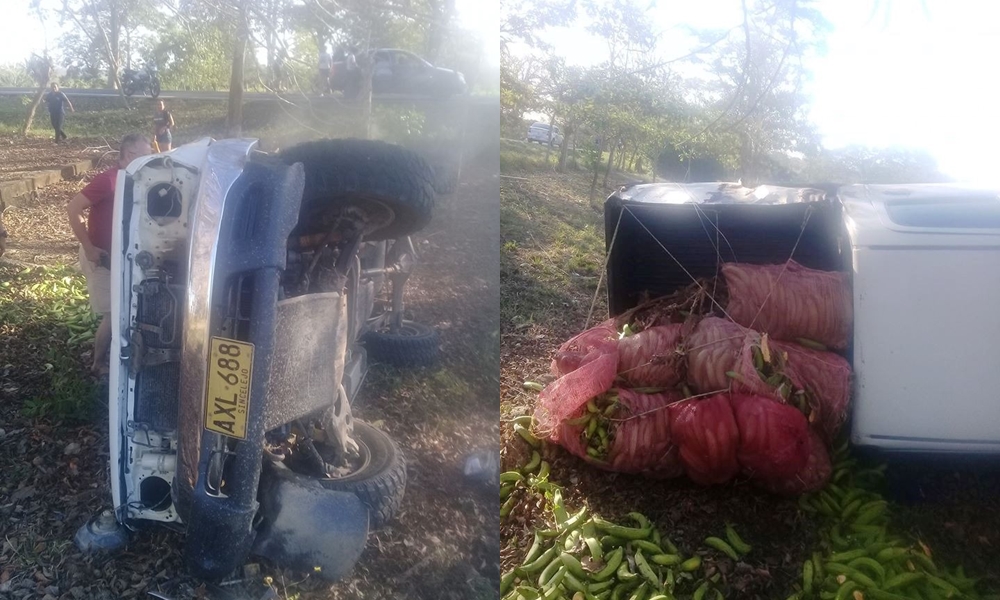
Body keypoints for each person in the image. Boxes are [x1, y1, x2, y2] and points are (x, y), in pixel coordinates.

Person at [67, 133, 152, 377]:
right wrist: (90, 248)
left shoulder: (135, 180)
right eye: (147, 155)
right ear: (129, 155)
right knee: (114, 316)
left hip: (120, 259)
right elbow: (72, 208)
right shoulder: (109, 180)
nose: (150, 161)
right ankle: (98, 365)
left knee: (126, 309)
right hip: (99, 258)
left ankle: (120, 356)